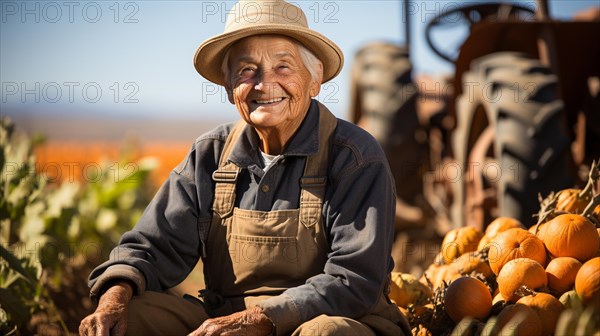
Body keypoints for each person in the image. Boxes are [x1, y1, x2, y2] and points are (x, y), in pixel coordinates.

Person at [79, 1, 409, 335]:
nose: (264, 85)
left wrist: (260, 319)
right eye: (247, 70)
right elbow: (150, 247)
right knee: (129, 317)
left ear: (315, 79)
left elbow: (354, 280)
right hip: (228, 320)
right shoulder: (211, 154)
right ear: (228, 86)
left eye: (283, 67)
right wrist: (114, 300)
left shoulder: (354, 156)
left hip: (336, 319)